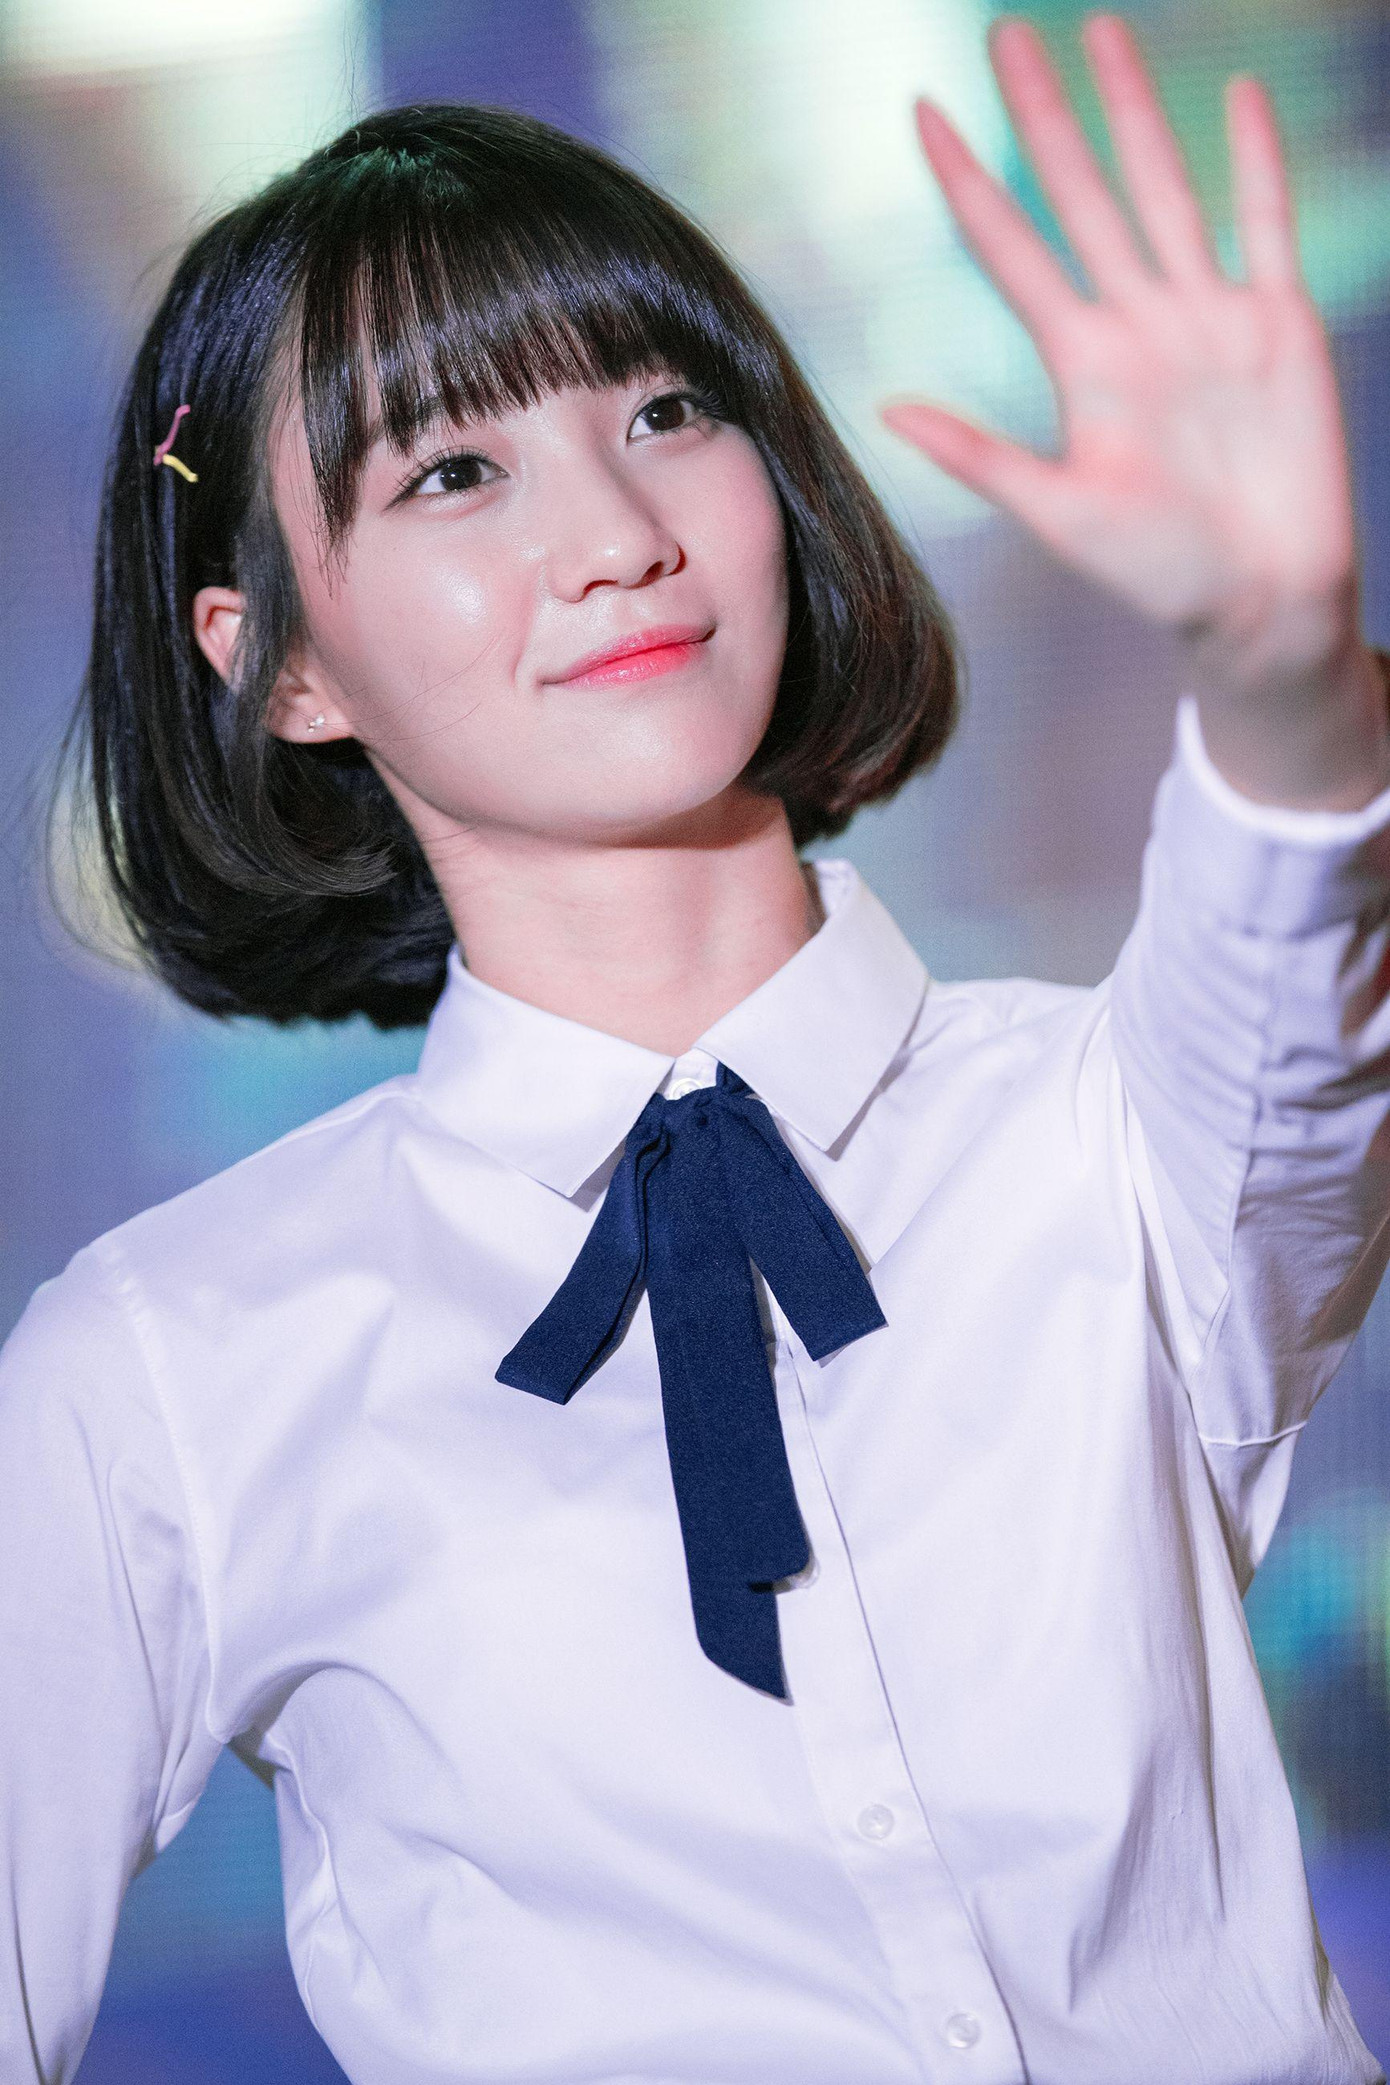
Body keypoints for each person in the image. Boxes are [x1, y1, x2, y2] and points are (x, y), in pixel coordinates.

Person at [4, 10, 1389, 2081]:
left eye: (663, 409)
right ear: (277, 659)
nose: (615, 533)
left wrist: (1280, 656)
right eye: (454, 470)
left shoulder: (1102, 1131)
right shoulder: (172, 1362)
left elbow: (1289, 949)